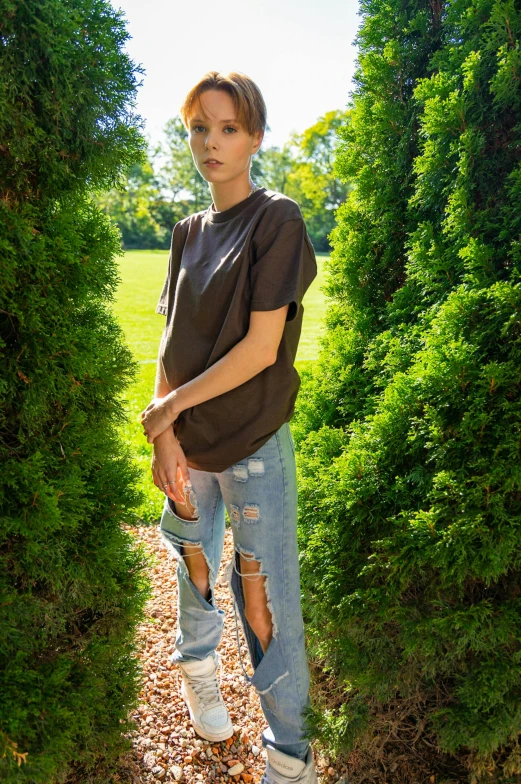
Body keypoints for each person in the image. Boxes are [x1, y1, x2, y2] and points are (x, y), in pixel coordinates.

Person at [140, 70, 318, 784]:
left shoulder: (277, 220)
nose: (210, 143)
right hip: (186, 443)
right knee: (191, 569)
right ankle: (198, 674)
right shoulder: (186, 232)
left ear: (255, 138)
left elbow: (258, 348)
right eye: (198, 127)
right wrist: (164, 432)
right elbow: (170, 341)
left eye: (228, 129)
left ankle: (289, 754)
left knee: (263, 599)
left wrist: (169, 409)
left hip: (250, 444)